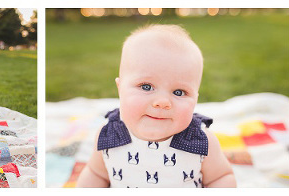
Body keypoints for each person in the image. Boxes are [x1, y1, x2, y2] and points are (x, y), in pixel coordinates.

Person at [76, 24, 236, 188]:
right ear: (120, 89)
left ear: (195, 98)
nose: (162, 102)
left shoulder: (201, 141)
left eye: (179, 92)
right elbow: (96, 174)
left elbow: (221, 178)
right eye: (146, 87)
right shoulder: (109, 135)